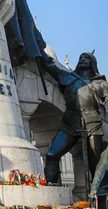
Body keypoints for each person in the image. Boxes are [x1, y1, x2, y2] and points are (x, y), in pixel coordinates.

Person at [39, 52, 104, 184]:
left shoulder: (100, 83)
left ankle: (101, 201)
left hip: (93, 124)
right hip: (70, 122)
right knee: (52, 154)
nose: (83, 60)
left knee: (96, 166)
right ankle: (53, 188)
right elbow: (49, 65)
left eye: (86, 58)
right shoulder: (67, 77)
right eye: (81, 57)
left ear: (93, 63)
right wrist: (38, 47)